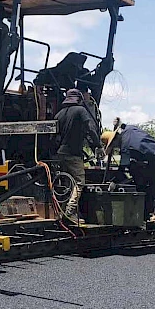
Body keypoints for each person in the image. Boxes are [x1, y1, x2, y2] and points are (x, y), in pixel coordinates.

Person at [54, 89, 101, 221]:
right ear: (79, 99)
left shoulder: (59, 114)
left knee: (66, 182)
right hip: (73, 154)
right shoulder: (81, 111)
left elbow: (54, 137)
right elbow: (90, 129)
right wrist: (98, 145)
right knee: (79, 182)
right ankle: (70, 212)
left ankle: (61, 213)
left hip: (60, 153)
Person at [113, 123, 155, 222]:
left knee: (152, 185)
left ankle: (147, 215)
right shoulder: (129, 129)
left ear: (116, 139)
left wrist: (114, 181)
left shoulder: (124, 144)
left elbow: (123, 165)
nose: (116, 147)